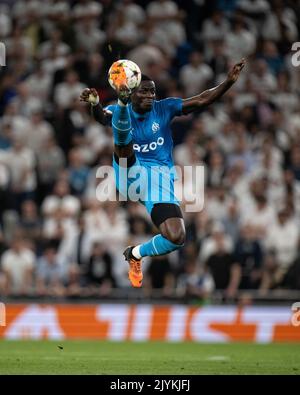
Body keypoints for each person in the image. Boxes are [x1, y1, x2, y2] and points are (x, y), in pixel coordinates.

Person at [79, 58, 245, 288]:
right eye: (144, 92)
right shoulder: (116, 110)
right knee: (123, 142)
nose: (150, 96)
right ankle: (125, 108)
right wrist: (95, 104)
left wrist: (227, 82)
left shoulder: (164, 108)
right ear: (132, 92)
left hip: (159, 181)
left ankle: (135, 254)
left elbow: (201, 100)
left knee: (177, 237)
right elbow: (101, 117)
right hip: (131, 174)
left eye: (153, 92)